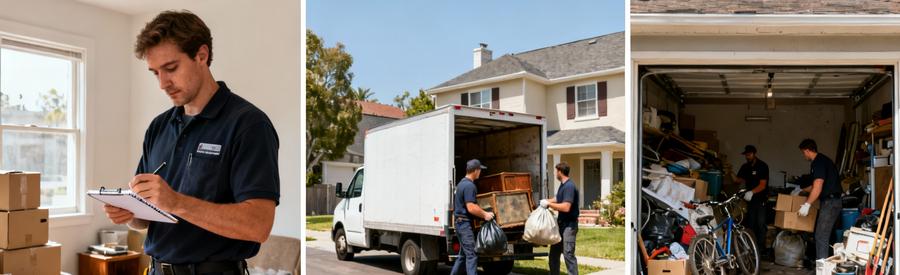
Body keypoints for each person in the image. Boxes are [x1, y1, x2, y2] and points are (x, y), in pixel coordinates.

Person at [102, 10, 280, 275]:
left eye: (171, 68)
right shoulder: (158, 127)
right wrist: (129, 213)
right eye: (155, 73)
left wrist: (176, 202)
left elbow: (259, 225)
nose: (163, 83)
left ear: (201, 55)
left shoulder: (248, 125)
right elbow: (144, 217)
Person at [797, 138, 842, 260]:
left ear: (807, 150)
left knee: (821, 236)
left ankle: (822, 270)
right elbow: (816, 186)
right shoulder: (822, 161)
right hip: (832, 202)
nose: (804, 155)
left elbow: (818, 186)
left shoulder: (818, 162)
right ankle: (827, 265)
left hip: (830, 202)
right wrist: (801, 190)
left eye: (803, 152)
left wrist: (807, 204)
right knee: (828, 236)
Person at [450, 159, 495, 275]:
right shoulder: (470, 186)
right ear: (475, 170)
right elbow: (471, 207)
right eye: (480, 170)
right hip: (464, 225)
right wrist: (485, 214)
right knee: (471, 256)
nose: (480, 172)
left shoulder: (461, 184)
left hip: (460, 223)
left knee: (463, 255)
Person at [541, 162, 580, 275]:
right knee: (554, 254)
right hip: (561, 226)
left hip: (569, 226)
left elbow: (566, 207)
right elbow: (558, 198)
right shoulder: (563, 185)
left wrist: (549, 205)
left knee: (568, 254)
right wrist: (546, 201)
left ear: (560, 171)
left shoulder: (569, 186)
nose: (554, 174)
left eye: (555, 171)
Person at [731, 145, 769, 257]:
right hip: (750, 200)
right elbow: (738, 180)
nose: (747, 156)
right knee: (751, 223)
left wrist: (752, 192)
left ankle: (761, 249)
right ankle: (750, 248)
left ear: (754, 153)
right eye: (746, 155)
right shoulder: (745, 166)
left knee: (761, 223)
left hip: (760, 199)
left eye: (749, 154)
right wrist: (730, 171)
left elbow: (762, 185)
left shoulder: (762, 166)